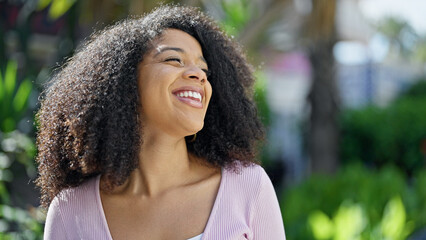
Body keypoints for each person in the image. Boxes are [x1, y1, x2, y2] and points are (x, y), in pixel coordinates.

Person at [36, 4, 286, 240]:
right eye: (174, 60)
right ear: (124, 82)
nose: (198, 75)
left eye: (205, 71)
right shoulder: (70, 211)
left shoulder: (248, 188)